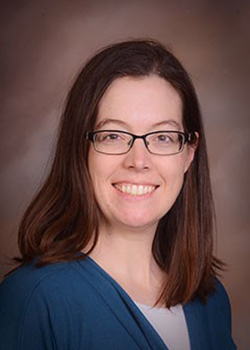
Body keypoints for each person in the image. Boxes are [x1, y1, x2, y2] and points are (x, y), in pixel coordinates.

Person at [0, 39, 237, 350]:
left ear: (189, 153)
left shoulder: (211, 300)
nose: (138, 161)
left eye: (163, 137)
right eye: (113, 135)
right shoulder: (33, 300)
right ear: (80, 149)